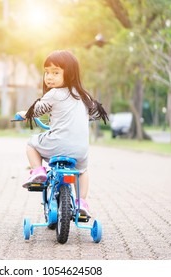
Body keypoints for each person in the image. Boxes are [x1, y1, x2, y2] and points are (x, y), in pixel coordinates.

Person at [17, 50, 108, 216]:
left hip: (57, 144)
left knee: (31, 144)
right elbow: (95, 113)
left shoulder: (54, 94)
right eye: (46, 72)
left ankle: (38, 173)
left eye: (55, 72)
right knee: (82, 171)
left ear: (70, 74)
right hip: (80, 150)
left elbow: (37, 110)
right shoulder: (84, 96)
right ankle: (82, 203)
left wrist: (25, 114)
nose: (49, 77)